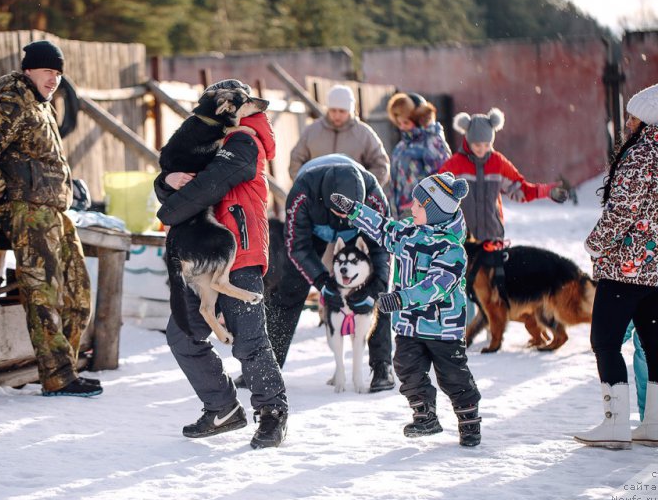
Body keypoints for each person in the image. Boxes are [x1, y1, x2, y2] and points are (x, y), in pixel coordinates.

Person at [154, 79, 288, 449]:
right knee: (182, 335)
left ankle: (272, 412)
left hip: (239, 254)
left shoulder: (246, 141)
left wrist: (167, 210)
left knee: (249, 341)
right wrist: (166, 179)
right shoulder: (218, 140)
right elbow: (183, 176)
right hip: (205, 258)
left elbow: (211, 183)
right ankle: (222, 406)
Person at [0, 40, 101, 397]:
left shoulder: (42, 106)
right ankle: (57, 377)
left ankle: (65, 368)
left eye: (58, 73)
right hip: (29, 212)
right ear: (29, 70)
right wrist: (3, 195)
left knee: (78, 293)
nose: (54, 79)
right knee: (43, 295)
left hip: (53, 211)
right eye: (47, 71)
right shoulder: (13, 100)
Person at [330, 171, 482, 447]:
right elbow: (382, 228)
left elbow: (437, 285)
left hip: (442, 328)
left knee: (453, 377)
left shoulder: (452, 249)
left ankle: (469, 420)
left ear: (436, 213)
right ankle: (425, 416)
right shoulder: (408, 233)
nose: (412, 208)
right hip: (410, 326)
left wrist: (401, 299)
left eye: (419, 205)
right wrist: (354, 210)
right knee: (406, 368)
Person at [266, 154, 395, 392]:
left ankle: (382, 366)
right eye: (340, 211)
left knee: (380, 294)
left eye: (352, 211)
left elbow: (382, 248)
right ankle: (267, 367)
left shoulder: (374, 197)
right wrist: (323, 283)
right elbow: (297, 247)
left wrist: (375, 288)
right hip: (315, 231)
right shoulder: (302, 194)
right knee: (290, 289)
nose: (345, 216)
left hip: (359, 236)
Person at [574, 84, 658, 449]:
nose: (627, 124)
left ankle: (615, 424)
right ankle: (654, 423)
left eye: (632, 117)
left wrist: (595, 244)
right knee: (655, 344)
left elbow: (622, 209)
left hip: (626, 265)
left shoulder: (641, 155)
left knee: (605, 341)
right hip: (655, 269)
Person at [439, 108, 569, 316]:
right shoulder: (455, 165)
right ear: (467, 140)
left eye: (486, 144)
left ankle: (489, 324)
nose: (482, 149)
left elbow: (520, 189)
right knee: (464, 282)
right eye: (476, 145)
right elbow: (437, 191)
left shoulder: (497, 163)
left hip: (492, 236)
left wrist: (546, 191)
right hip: (463, 237)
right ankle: (463, 325)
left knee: (492, 287)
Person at [289, 85, 390, 187]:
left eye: (342, 111)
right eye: (333, 110)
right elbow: (296, 160)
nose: (337, 116)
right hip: (316, 197)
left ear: (350, 110)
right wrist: (304, 186)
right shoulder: (312, 131)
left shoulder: (364, 134)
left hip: (353, 197)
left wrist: (365, 187)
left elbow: (381, 165)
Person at [386, 92, 452, 219]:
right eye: (399, 123)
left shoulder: (432, 143)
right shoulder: (401, 146)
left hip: (423, 214)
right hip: (401, 213)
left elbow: (441, 180)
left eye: (406, 122)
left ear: (419, 120)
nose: (402, 127)